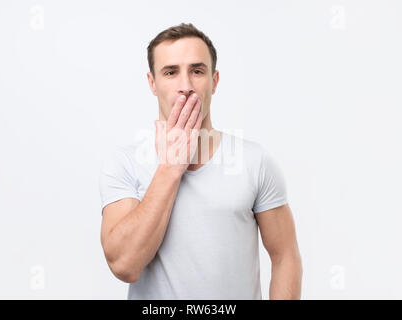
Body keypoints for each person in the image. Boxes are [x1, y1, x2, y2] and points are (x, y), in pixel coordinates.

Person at [99, 23, 302, 299]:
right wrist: (171, 166)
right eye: (170, 72)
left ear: (214, 81)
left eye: (197, 71)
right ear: (152, 83)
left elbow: (285, 256)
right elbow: (125, 265)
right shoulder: (125, 163)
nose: (185, 86)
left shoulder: (255, 162)